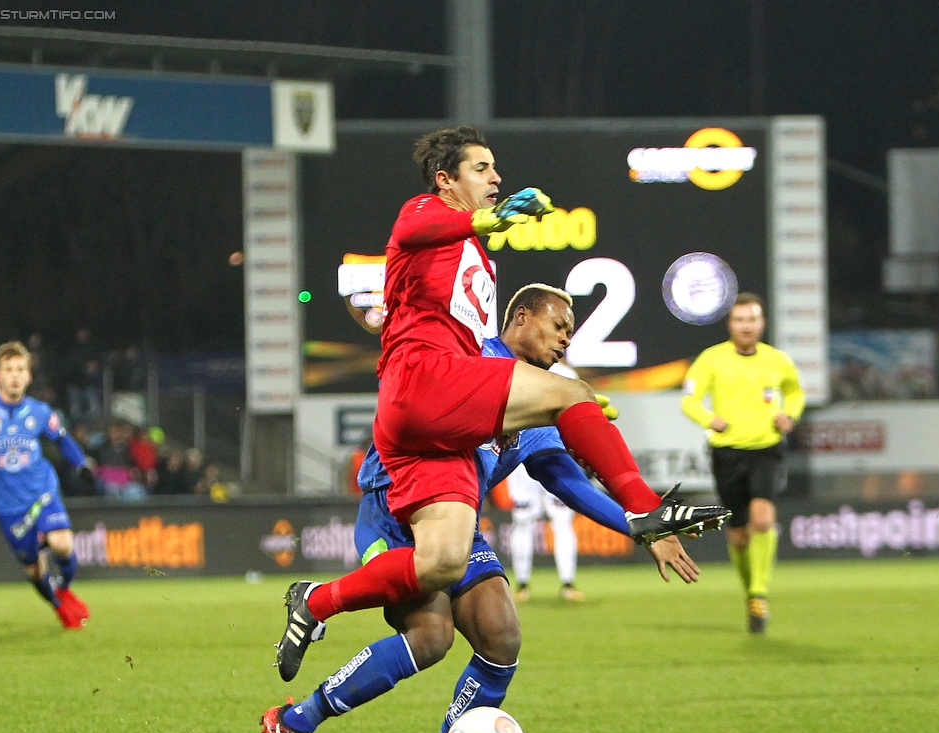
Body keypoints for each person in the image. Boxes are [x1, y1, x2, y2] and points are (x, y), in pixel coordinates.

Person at [272, 125, 729, 682]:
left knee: (443, 565)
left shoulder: (479, 263)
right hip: (418, 395)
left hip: (438, 442)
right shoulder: (425, 214)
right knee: (571, 393)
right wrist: (486, 219)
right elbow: (416, 226)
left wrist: (559, 416)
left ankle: (313, 604)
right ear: (446, 179)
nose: (497, 177)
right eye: (482, 168)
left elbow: (566, 478)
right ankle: (644, 503)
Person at [261, 284, 704, 733]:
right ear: (520, 317)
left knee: (501, 637)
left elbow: (566, 479)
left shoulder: (538, 401)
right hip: (394, 510)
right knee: (431, 638)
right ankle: (297, 720)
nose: (566, 340)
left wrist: (638, 522)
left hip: (456, 522)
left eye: (571, 332)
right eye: (558, 325)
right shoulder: (467, 355)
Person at [681, 292, 805, 633]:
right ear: (730, 324)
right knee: (738, 535)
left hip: (766, 449)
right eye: (739, 320)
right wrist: (709, 419)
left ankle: (759, 593)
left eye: (752, 319)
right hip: (728, 452)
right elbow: (689, 400)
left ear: (761, 323)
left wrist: (788, 415)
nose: (746, 326)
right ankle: (750, 593)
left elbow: (795, 392)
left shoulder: (777, 360)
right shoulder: (711, 359)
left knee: (762, 520)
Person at [0, 341, 92, 628]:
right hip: (7, 506)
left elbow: (63, 439)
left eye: (20, 369)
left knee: (62, 543)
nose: (15, 375)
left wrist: (82, 464)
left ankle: (65, 590)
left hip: (41, 492)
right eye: (9, 370)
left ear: (28, 376)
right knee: (33, 567)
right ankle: (57, 605)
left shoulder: (39, 411)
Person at [507, 462, 584, 601]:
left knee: (562, 522)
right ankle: (522, 584)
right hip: (522, 459)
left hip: (551, 458)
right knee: (523, 524)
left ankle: (568, 583)